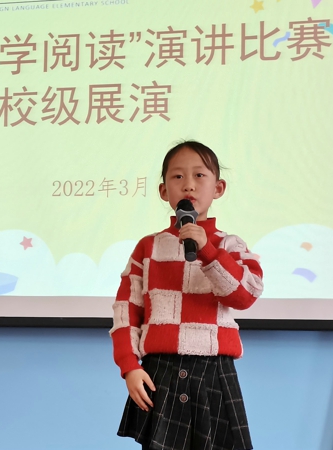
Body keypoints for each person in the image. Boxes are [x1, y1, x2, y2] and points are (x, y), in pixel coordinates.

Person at [110, 140, 263, 450]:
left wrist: (206, 250)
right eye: (177, 176)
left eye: (199, 175)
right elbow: (126, 310)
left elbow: (244, 295)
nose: (188, 185)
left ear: (218, 188)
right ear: (163, 191)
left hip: (214, 372)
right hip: (160, 371)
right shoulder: (148, 247)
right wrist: (129, 366)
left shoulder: (231, 245)